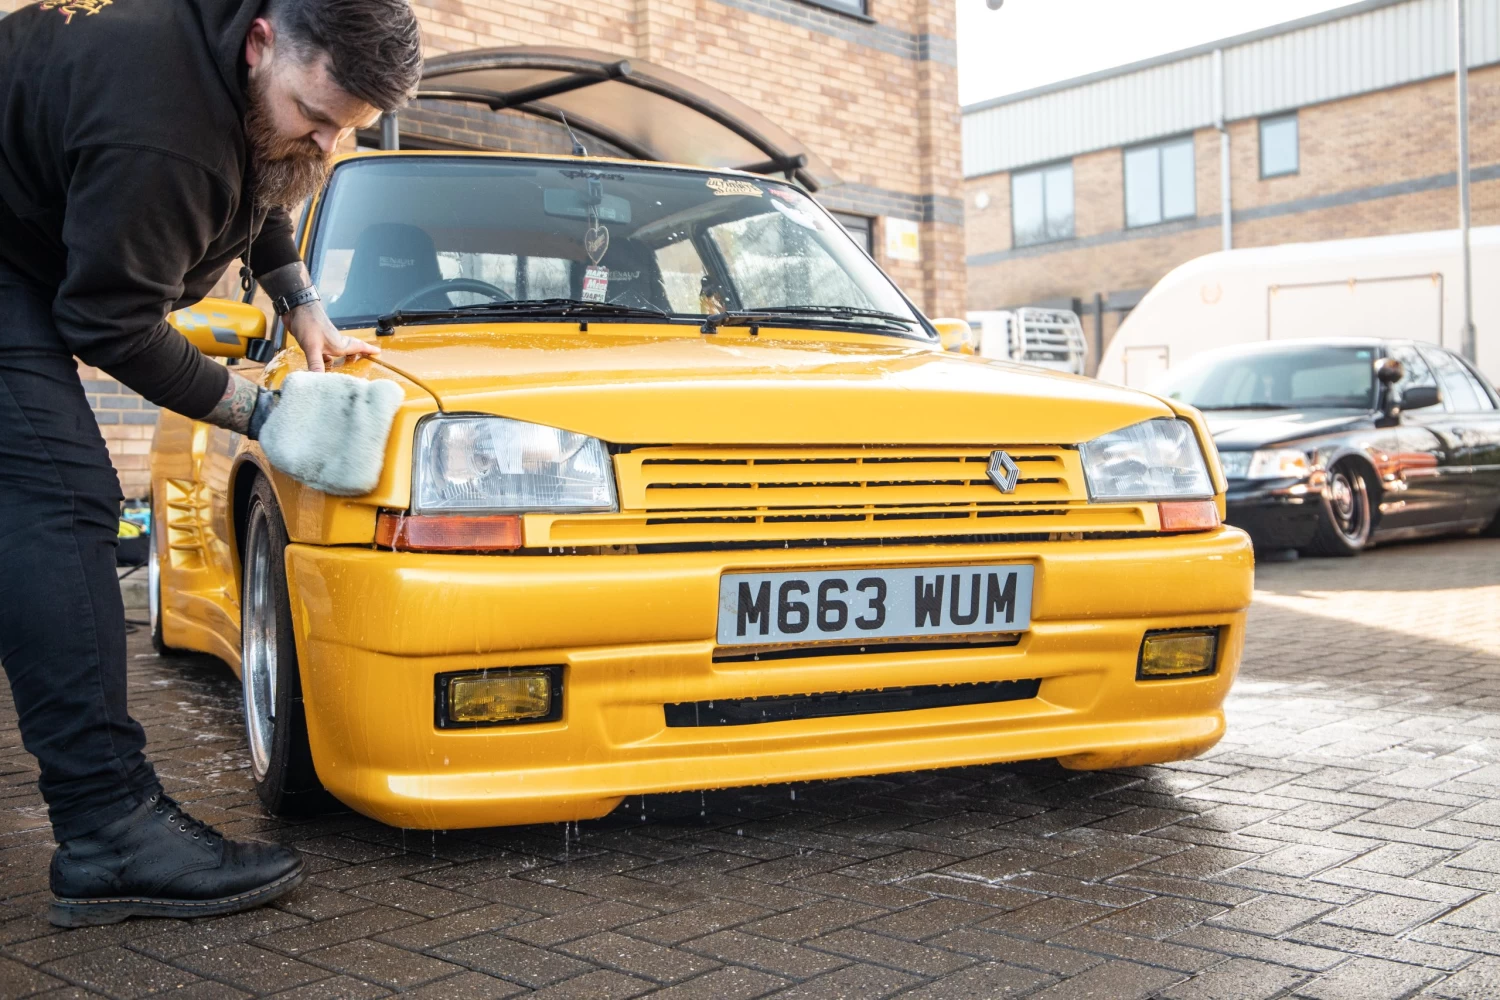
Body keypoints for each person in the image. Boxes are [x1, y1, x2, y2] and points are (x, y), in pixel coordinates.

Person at [0, 0, 422, 926]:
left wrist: (301, 303)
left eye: (346, 128)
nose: (325, 140)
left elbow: (263, 173)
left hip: (27, 240)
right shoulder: (164, 130)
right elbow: (107, 322)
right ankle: (108, 831)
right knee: (60, 499)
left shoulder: (233, 66)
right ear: (264, 41)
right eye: (320, 113)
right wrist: (260, 413)